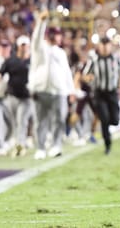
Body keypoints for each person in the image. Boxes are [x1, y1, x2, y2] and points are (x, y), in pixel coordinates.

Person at [28, 10, 74, 159]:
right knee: (40, 121)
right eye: (57, 35)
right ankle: (40, 148)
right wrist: (42, 22)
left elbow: (66, 72)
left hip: (59, 91)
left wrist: (71, 90)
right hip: (40, 90)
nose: (60, 38)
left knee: (59, 119)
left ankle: (56, 146)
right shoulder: (40, 48)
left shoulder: (61, 52)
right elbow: (36, 38)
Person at [81, 36, 120, 154]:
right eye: (103, 45)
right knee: (104, 119)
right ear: (99, 46)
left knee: (115, 120)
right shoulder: (94, 59)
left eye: (107, 45)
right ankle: (107, 145)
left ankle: (109, 129)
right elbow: (85, 75)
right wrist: (89, 78)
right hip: (99, 93)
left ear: (110, 46)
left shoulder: (116, 59)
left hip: (112, 92)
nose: (105, 48)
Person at [0, 35, 33, 157]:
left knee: (22, 120)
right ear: (18, 46)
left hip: (27, 96)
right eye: (22, 45)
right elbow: (1, 72)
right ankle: (17, 142)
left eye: (26, 45)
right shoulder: (11, 60)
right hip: (13, 95)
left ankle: (20, 144)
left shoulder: (32, 61)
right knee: (14, 122)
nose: (24, 48)